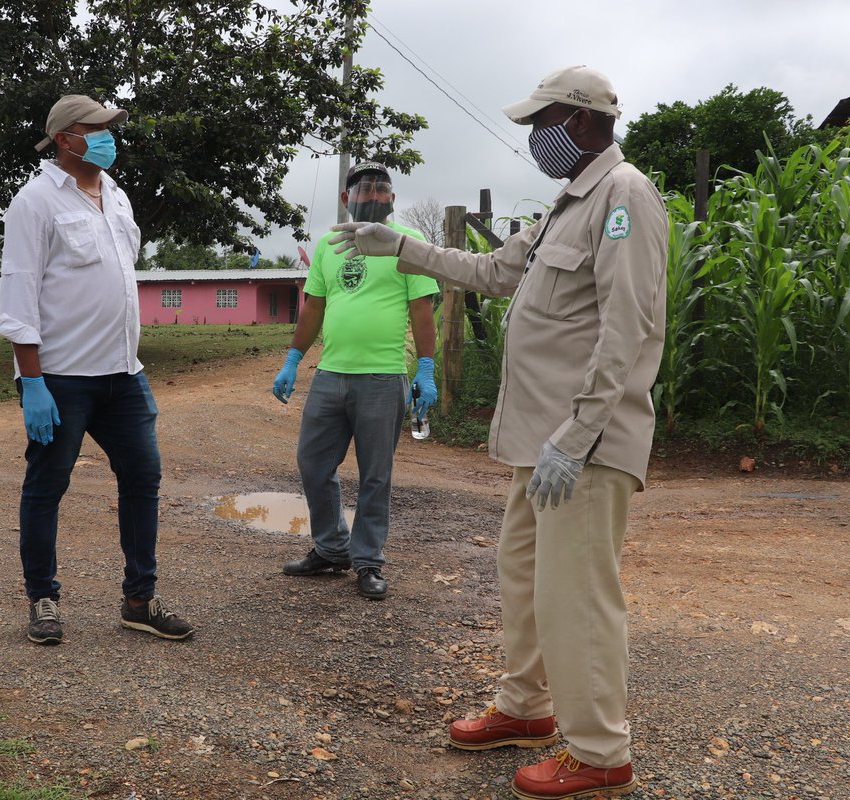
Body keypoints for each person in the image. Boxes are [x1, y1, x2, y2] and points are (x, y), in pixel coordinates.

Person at [329, 66, 667, 799]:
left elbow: (627, 327)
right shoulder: (565, 204)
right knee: (526, 581)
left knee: (577, 593)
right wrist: (400, 246)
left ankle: (601, 750)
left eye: (538, 124)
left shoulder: (624, 196)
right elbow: (492, 271)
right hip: (537, 444)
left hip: (582, 446)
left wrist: (577, 436)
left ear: (578, 122)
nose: (531, 140)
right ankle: (527, 707)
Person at [0, 94, 194, 645]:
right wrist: (32, 382)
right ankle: (43, 599)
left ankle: (140, 600)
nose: (110, 136)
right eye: (98, 128)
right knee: (47, 486)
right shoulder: (35, 202)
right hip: (61, 381)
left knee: (143, 479)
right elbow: (19, 299)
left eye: (111, 128)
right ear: (65, 138)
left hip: (124, 375)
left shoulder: (117, 196)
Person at [273, 161, 440, 601]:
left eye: (383, 190)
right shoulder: (328, 244)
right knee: (313, 464)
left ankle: (368, 561)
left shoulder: (409, 244)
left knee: (375, 476)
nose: (374, 196)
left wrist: (426, 368)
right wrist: (293, 358)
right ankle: (331, 549)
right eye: (365, 189)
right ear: (346, 199)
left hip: (383, 378)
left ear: (393, 201)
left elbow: (423, 310)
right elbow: (313, 306)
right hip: (330, 374)